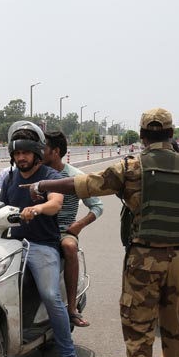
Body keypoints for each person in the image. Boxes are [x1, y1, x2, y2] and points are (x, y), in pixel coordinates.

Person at [21, 109, 179, 357]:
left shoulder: (133, 167)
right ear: (171, 134)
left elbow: (84, 184)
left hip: (144, 261)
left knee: (139, 329)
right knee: (175, 323)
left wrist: (42, 184)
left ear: (141, 136)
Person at [0, 122, 79, 357]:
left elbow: (56, 203)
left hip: (42, 245)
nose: (21, 157)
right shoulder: (10, 178)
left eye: (25, 152)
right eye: (16, 153)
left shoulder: (49, 177)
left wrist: (39, 208)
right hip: (12, 245)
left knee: (50, 295)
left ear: (35, 152)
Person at [43, 130, 103, 327]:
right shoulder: (34, 172)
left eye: (43, 147)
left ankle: (71, 307)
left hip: (62, 230)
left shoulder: (75, 177)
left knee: (69, 247)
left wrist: (78, 225)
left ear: (55, 151)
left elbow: (97, 206)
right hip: (35, 228)